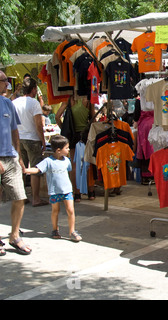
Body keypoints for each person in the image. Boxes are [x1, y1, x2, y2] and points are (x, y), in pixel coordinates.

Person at [24, 135, 82, 242]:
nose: (69, 149)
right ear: (59, 150)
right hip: (54, 192)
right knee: (55, 210)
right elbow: (37, 170)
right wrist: (26, 170)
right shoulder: (48, 161)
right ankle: (55, 230)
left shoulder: (67, 161)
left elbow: (68, 172)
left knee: (71, 210)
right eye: (67, 148)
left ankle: (72, 231)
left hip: (67, 191)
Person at [0, 70, 32, 256]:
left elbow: (14, 132)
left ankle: (14, 236)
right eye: (5, 81)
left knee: (20, 197)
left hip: (10, 157)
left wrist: (19, 157)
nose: (7, 85)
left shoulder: (7, 104)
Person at [12, 77, 48, 207]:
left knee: (21, 168)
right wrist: (43, 140)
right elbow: (39, 125)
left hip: (18, 139)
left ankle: (22, 197)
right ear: (33, 89)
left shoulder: (15, 102)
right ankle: (36, 198)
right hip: (32, 139)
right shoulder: (34, 103)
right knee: (34, 169)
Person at [56, 96, 95, 202]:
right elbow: (93, 120)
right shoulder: (88, 100)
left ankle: (76, 194)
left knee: (75, 166)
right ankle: (90, 192)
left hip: (73, 136)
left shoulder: (68, 99)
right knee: (88, 164)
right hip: (86, 135)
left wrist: (64, 129)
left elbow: (57, 117)